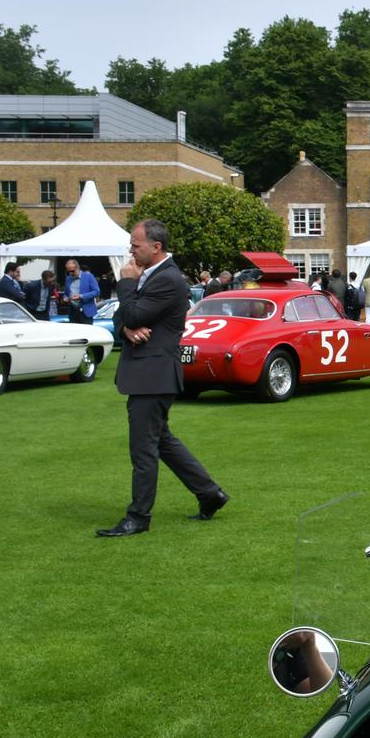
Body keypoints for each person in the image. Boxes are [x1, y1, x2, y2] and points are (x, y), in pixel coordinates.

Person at [98, 219, 227, 537]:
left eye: (136, 245)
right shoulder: (153, 276)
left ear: (156, 247)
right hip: (151, 373)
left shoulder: (167, 279)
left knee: (143, 448)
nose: (130, 251)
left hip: (152, 375)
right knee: (163, 442)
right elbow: (123, 317)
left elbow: (132, 312)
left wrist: (126, 285)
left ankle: (139, 517)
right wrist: (127, 326)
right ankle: (210, 493)